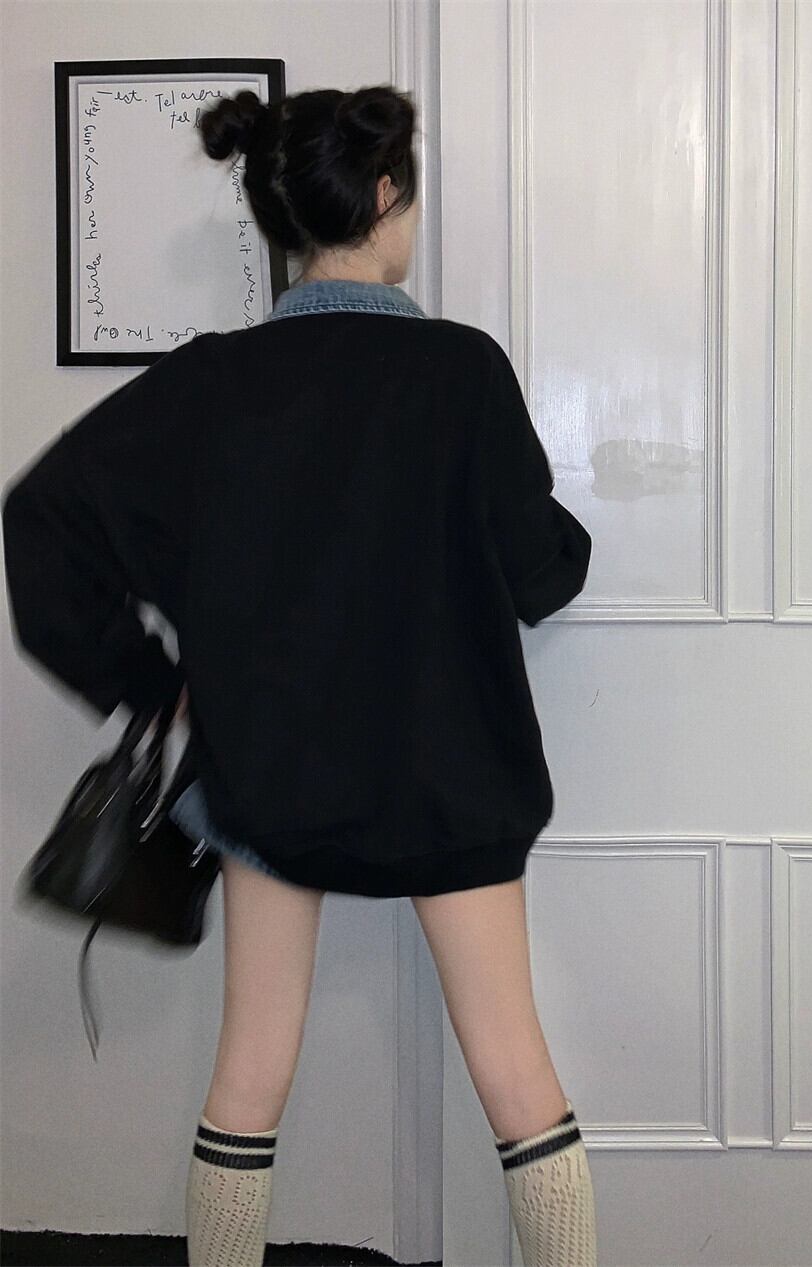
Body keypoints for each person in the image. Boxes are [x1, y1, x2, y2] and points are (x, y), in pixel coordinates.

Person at [1, 84, 596, 1267]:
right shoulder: (459, 374)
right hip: (449, 784)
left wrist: (151, 681)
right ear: (383, 195)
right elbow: (542, 573)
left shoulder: (214, 384)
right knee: (517, 1079)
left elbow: (41, 519)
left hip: (268, 783)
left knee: (248, 1075)